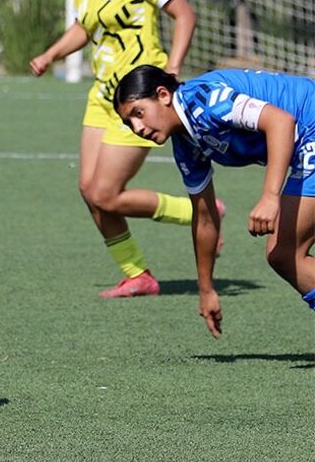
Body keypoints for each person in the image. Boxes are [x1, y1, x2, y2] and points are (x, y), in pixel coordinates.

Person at [29, 0, 203, 298]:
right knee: (89, 191)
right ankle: (137, 274)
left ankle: (199, 211)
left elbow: (184, 14)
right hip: (104, 95)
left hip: (140, 99)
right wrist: (50, 54)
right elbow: (84, 28)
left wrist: (173, 67)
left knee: (106, 193)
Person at [115, 65, 315, 337]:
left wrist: (270, 197)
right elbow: (205, 216)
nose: (136, 127)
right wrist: (206, 289)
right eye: (128, 123)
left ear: (163, 95)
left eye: (138, 113)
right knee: (284, 253)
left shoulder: (205, 101)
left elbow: (280, 121)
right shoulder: (186, 144)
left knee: (285, 252)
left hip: (310, 130)